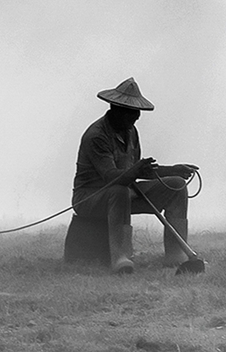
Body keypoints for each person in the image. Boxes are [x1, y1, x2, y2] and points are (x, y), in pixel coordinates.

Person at [64, 79, 197, 274]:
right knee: (119, 191)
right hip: (91, 198)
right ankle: (121, 257)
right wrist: (136, 171)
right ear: (116, 109)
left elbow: (137, 171)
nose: (136, 117)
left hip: (125, 193)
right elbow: (111, 177)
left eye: (137, 112)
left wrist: (172, 170)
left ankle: (176, 254)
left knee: (177, 185)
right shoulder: (96, 136)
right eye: (131, 112)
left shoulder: (131, 131)